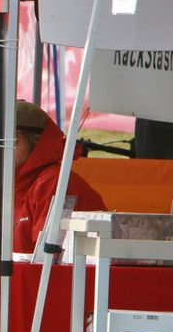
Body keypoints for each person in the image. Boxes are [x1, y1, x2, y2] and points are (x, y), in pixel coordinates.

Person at [13, 100, 107, 255]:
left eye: (12, 140)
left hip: (76, 276)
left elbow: (47, 258)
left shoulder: (51, 182)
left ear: (35, 141)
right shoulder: (18, 183)